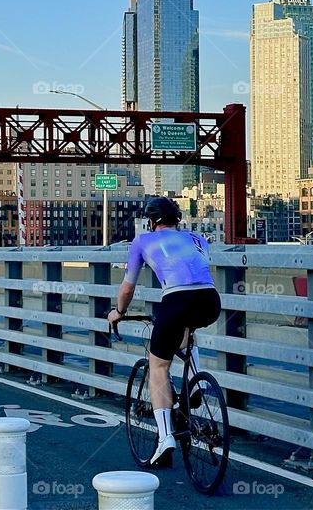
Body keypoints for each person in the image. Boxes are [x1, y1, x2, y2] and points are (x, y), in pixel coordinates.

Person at [107, 197, 221, 466]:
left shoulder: (142, 242)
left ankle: (165, 438)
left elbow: (127, 287)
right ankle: (197, 386)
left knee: (158, 366)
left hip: (176, 300)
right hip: (210, 300)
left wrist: (119, 312)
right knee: (183, 336)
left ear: (151, 221)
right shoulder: (197, 239)